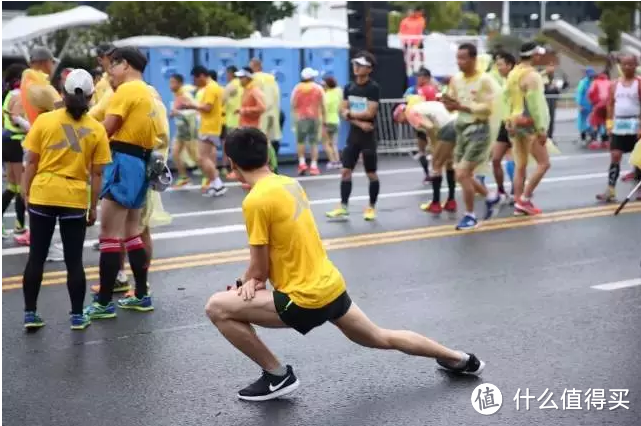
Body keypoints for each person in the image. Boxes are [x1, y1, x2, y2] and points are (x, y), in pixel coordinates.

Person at [204, 127, 485, 401]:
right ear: (267, 156)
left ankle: (277, 376)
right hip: (331, 287)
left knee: (217, 307)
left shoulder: (255, 201)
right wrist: (252, 281)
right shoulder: (288, 183)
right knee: (381, 336)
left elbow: (259, 269)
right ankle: (460, 359)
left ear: (231, 162)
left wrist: (245, 282)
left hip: (304, 299)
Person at [21, 69, 111, 330]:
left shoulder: (44, 121)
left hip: (43, 193)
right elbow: (96, 174)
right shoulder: (96, 129)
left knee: (36, 256)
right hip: (74, 198)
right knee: (74, 261)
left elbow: (31, 163)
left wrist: (27, 193)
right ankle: (76, 315)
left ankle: (30, 314)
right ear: (92, 96)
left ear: (63, 93)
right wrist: (93, 207)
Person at [84, 47, 159, 319]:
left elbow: (108, 127)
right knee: (132, 233)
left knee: (109, 236)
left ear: (125, 65)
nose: (110, 73)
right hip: (140, 164)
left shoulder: (126, 91)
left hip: (122, 161)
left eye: (113, 67)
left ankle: (104, 302)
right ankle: (141, 294)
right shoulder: (146, 91)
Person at [441, 43, 497, 230]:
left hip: (479, 129)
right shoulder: (456, 79)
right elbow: (451, 101)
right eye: (457, 58)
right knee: (462, 173)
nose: (459, 62)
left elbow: (488, 108)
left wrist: (462, 107)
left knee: (462, 173)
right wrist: (446, 102)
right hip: (461, 128)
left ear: (473, 59)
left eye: (463, 58)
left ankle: (470, 215)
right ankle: (490, 196)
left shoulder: (484, 80)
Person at [18, 46, 65, 262]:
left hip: (35, 141)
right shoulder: (40, 87)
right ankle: (48, 245)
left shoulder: (26, 83)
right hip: (48, 145)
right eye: (52, 63)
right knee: (50, 196)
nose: (53, 66)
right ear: (45, 62)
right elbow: (64, 111)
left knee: (33, 193)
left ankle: (39, 242)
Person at [326, 52, 381, 222]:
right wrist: (358, 121)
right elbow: (342, 111)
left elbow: (370, 112)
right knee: (345, 172)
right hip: (355, 135)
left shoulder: (373, 88)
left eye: (360, 64)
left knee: (371, 173)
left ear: (369, 69)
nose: (356, 67)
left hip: (369, 136)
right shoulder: (349, 87)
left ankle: (371, 207)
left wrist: (351, 114)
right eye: (355, 64)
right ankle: (343, 207)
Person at [503, 42, 551, 216]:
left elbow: (505, 98)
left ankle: (518, 201)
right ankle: (525, 199)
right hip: (529, 123)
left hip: (514, 121)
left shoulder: (513, 74)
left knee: (520, 165)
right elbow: (536, 104)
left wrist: (508, 119)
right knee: (544, 163)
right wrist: (542, 128)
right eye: (539, 54)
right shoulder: (532, 76)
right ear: (535, 55)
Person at [393, 100, 458, 214]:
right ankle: (451, 201)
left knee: (435, 166)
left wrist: (434, 145)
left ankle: (436, 203)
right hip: (454, 123)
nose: (402, 124)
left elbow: (430, 127)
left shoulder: (410, 113)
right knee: (449, 163)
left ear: (400, 113)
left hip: (446, 128)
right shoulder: (419, 107)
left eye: (399, 120)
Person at [596, 54, 641, 203]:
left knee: (639, 159)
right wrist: (609, 124)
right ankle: (610, 189)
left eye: (630, 64)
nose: (627, 67)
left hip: (635, 123)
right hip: (619, 124)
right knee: (615, 156)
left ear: (636, 66)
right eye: (624, 64)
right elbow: (610, 104)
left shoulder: (639, 83)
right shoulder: (615, 84)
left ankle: (639, 189)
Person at [185, 65, 227, 197]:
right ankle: (215, 184)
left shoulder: (210, 88)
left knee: (202, 158)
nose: (195, 83)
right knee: (205, 157)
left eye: (195, 80)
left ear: (201, 75)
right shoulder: (215, 87)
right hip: (212, 126)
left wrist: (191, 105)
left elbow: (207, 107)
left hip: (209, 127)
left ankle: (218, 183)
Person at [2, 64, 29, 240]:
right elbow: (16, 118)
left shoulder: (9, 95)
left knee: (12, 186)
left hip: (7, 141)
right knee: (21, 187)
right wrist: (32, 128)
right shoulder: (19, 95)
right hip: (17, 142)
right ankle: (20, 227)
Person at [488, 51, 517, 207]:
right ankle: (501, 190)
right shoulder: (505, 81)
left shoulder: (515, 81)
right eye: (497, 65)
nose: (498, 68)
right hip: (503, 123)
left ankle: (516, 191)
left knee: (513, 159)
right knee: (496, 159)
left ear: (509, 65)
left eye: (500, 65)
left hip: (514, 124)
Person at [404, 67, 438, 184]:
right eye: (417, 76)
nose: (418, 78)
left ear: (427, 78)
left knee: (435, 151)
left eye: (420, 76)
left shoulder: (435, 89)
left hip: (434, 125)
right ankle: (427, 174)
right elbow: (406, 104)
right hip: (419, 125)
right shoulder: (411, 90)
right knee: (421, 150)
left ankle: (436, 172)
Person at [291, 67, 325, 176]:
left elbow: (293, 104)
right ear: (312, 77)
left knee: (300, 141)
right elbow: (323, 105)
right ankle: (314, 166)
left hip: (301, 118)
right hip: (315, 118)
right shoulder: (318, 88)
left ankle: (302, 163)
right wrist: (324, 119)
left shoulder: (297, 88)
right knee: (314, 142)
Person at [169, 73, 199, 188]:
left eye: (173, 82)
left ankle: (212, 178)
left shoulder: (185, 95)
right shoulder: (177, 94)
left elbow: (195, 110)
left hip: (188, 130)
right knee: (175, 153)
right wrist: (174, 113)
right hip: (181, 130)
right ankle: (184, 178)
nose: (170, 85)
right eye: (170, 82)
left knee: (196, 156)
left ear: (180, 83)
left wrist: (179, 112)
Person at [223, 65, 243, 180]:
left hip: (232, 120)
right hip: (242, 119)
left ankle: (232, 170)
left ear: (230, 74)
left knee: (231, 147)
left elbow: (222, 100)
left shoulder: (231, 85)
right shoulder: (243, 84)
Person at [541, 60, 569, 140]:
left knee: (551, 118)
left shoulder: (557, 76)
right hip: (544, 100)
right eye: (549, 66)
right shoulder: (542, 75)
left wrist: (561, 85)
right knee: (544, 119)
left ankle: (550, 136)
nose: (551, 68)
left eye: (553, 66)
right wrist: (548, 87)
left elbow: (564, 86)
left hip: (553, 100)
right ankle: (544, 136)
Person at [322, 75, 343, 170]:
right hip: (336, 120)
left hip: (327, 121)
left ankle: (332, 161)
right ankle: (338, 161)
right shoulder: (337, 93)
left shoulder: (325, 96)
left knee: (326, 143)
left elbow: (323, 110)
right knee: (334, 143)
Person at [576, 67, 596, 145]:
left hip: (591, 105)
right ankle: (583, 137)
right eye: (590, 75)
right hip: (584, 105)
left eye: (592, 75)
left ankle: (592, 138)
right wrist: (579, 105)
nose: (591, 77)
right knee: (583, 122)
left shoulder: (594, 82)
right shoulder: (583, 83)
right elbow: (579, 94)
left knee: (592, 122)